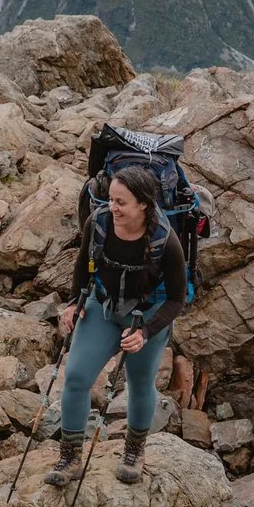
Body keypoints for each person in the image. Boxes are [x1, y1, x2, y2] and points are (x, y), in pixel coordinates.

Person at [48, 164, 189, 485]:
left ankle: (134, 450)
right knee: (76, 378)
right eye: (111, 199)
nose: (112, 208)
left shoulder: (165, 242)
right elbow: (83, 265)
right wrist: (73, 303)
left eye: (121, 202)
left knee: (140, 384)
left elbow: (177, 299)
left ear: (143, 204)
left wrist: (146, 333)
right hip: (103, 307)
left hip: (147, 316)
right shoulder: (97, 222)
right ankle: (70, 456)